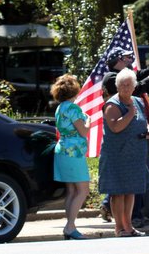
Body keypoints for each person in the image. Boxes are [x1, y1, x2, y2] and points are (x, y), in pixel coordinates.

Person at [99, 37, 149, 226]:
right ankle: (127, 221)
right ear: (117, 60)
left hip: (136, 142)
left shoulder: (129, 81)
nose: (130, 60)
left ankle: (137, 216)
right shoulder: (111, 78)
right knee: (123, 187)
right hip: (121, 144)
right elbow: (135, 89)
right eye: (126, 58)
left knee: (135, 182)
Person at [98, 68, 149, 237]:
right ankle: (120, 228)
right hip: (117, 156)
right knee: (118, 193)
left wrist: (148, 131)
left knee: (130, 191)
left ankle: (129, 227)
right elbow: (115, 127)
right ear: (117, 86)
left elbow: (143, 121)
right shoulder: (112, 104)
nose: (126, 87)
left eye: (129, 84)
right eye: (122, 84)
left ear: (135, 86)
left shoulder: (138, 101)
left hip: (134, 155)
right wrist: (129, 113)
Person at [52, 74, 91, 240]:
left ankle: (69, 226)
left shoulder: (60, 108)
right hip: (74, 153)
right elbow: (84, 131)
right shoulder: (73, 108)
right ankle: (70, 226)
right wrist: (89, 120)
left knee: (71, 190)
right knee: (83, 190)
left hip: (62, 150)